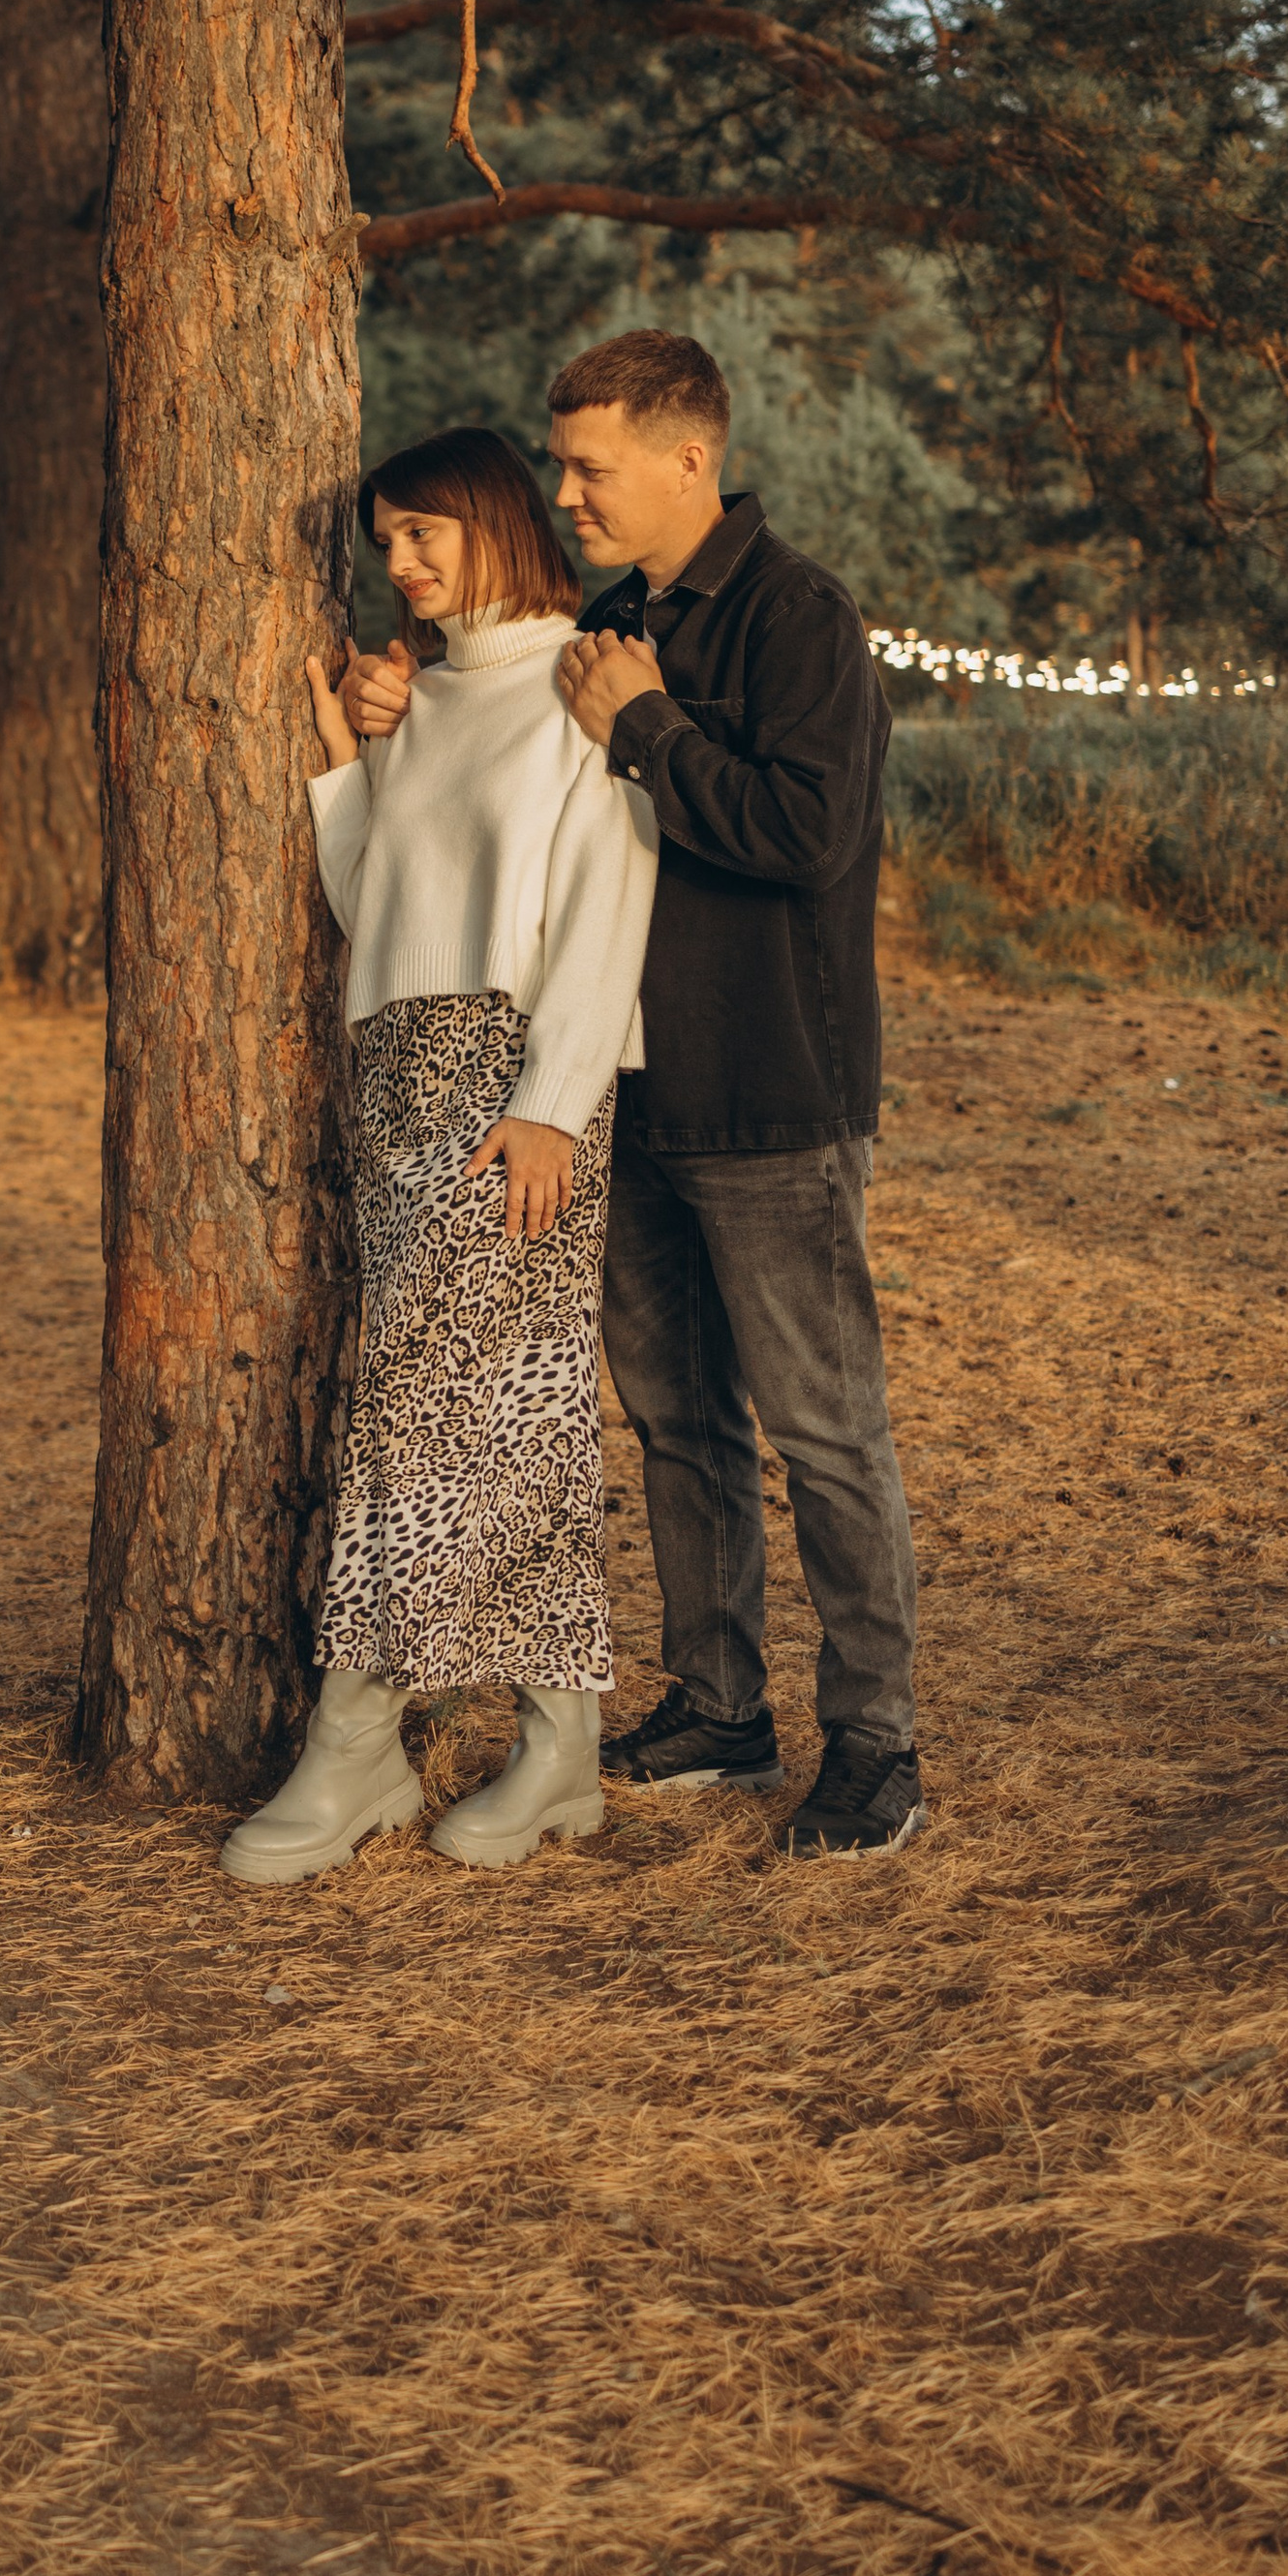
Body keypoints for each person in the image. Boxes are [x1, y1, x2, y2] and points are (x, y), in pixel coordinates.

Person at [345, 332, 923, 1858]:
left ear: (689, 459)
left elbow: (809, 834)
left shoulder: (799, 617)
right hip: (619, 1095)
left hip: (772, 1093)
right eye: (558, 465)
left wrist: (648, 728)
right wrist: (399, 719)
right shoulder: (604, 624)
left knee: (823, 1430)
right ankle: (720, 1708)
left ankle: (877, 1745)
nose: (567, 494)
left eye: (590, 466)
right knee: (676, 1421)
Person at [221, 428, 659, 1888]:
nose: (400, 565)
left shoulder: (581, 684)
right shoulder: (422, 696)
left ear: (493, 522)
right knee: (509, 1418)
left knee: (416, 1410)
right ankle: (560, 1743)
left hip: (516, 1083)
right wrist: (347, 765)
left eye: (425, 534)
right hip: (399, 1078)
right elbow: (375, 902)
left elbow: (610, 895)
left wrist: (554, 1099)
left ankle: (354, 1739)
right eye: (386, 543)